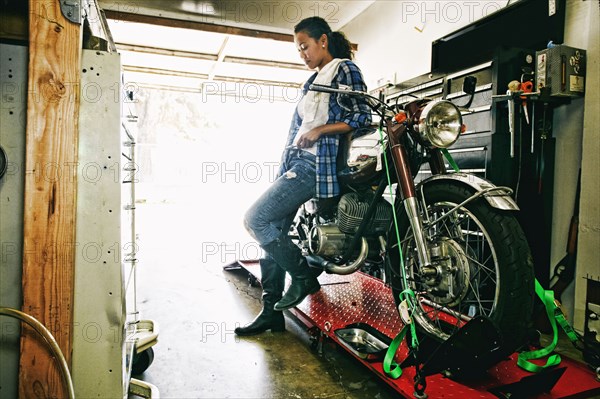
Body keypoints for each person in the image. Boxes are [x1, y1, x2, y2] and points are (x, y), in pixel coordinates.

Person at [235, 16, 372, 336]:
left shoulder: (343, 69)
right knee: (272, 236)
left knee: (255, 219)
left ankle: (303, 277)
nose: (302, 54)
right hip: (296, 165)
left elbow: (362, 117)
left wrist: (320, 130)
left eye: (305, 46)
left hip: (317, 165)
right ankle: (271, 313)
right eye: (298, 50)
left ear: (322, 41)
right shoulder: (313, 82)